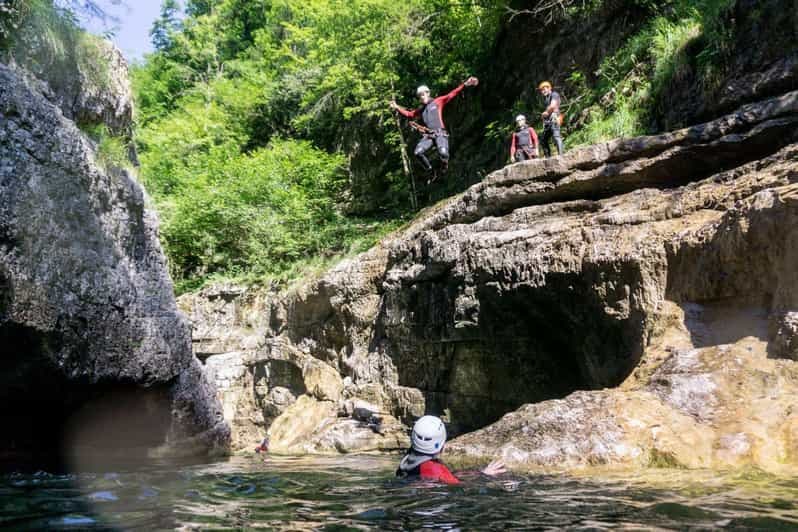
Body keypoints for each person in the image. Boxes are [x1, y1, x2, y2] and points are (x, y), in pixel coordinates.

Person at [390, 77, 479, 175]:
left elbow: (452, 94)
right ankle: (430, 170)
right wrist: (397, 107)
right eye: (420, 96)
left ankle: (443, 168)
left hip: (440, 133)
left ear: (428, 93)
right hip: (429, 135)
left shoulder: (437, 101)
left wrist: (465, 84)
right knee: (417, 152)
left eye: (423, 94)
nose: (421, 97)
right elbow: (409, 114)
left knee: (443, 153)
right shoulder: (421, 110)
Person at [396, 415, 506, 485]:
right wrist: (485, 476)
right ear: (442, 444)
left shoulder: (407, 460)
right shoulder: (435, 469)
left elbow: (451, 475)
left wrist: (480, 472)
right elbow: (459, 486)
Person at [538, 81, 564, 157]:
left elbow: (552, 106)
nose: (543, 91)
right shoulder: (547, 98)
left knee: (556, 136)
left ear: (549, 88)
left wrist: (545, 112)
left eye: (544, 89)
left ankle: (561, 156)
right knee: (543, 140)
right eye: (542, 90)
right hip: (549, 121)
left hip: (554, 117)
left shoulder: (554, 94)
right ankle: (548, 158)